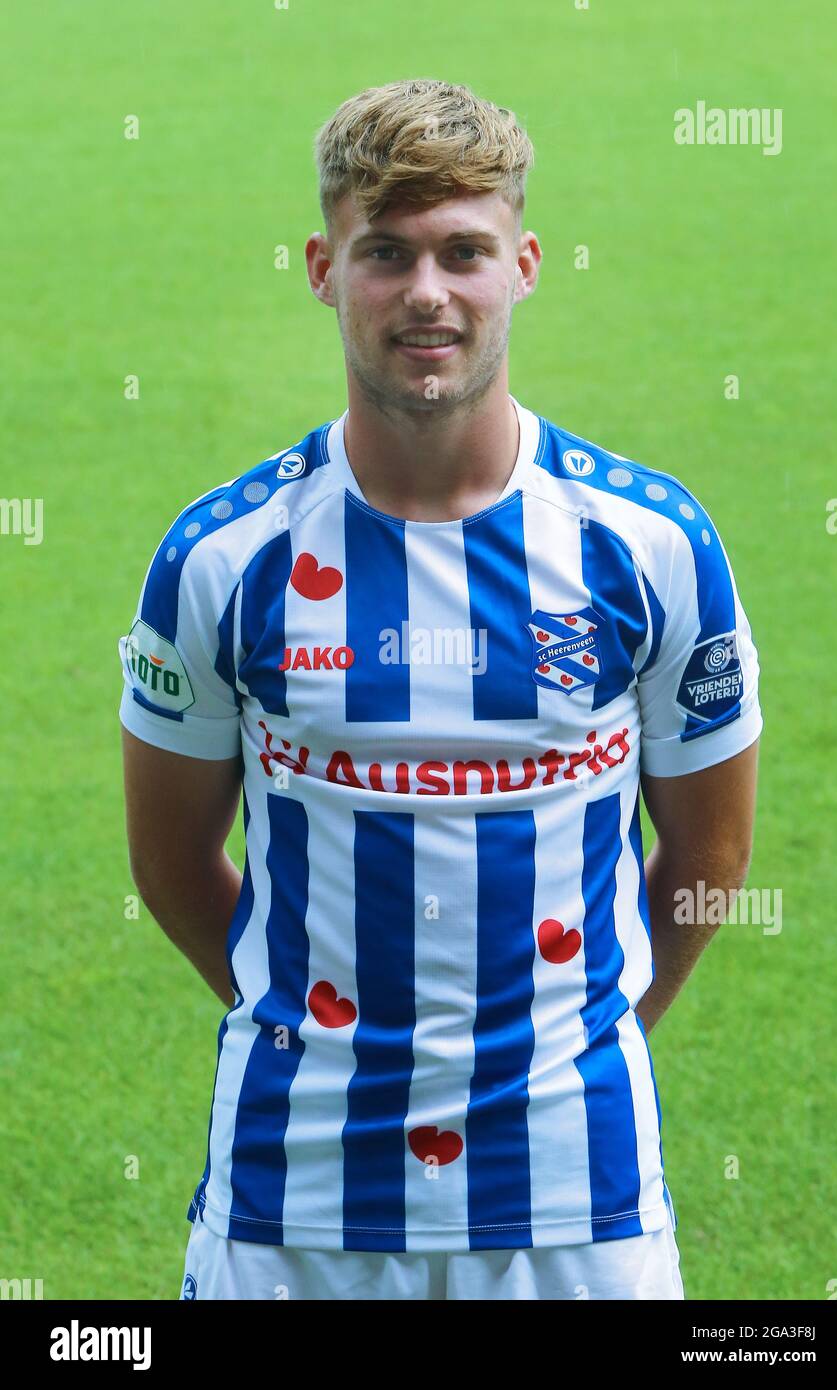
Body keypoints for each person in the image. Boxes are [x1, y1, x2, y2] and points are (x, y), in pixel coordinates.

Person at [118, 78, 761, 1300]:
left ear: (521, 263)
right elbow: (170, 864)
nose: (427, 292)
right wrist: (309, 1029)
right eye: (387, 253)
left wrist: (578, 1041)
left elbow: (709, 855)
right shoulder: (221, 558)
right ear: (322, 266)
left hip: (578, 1200)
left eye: (463, 252)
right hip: (291, 1195)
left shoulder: (649, 543)